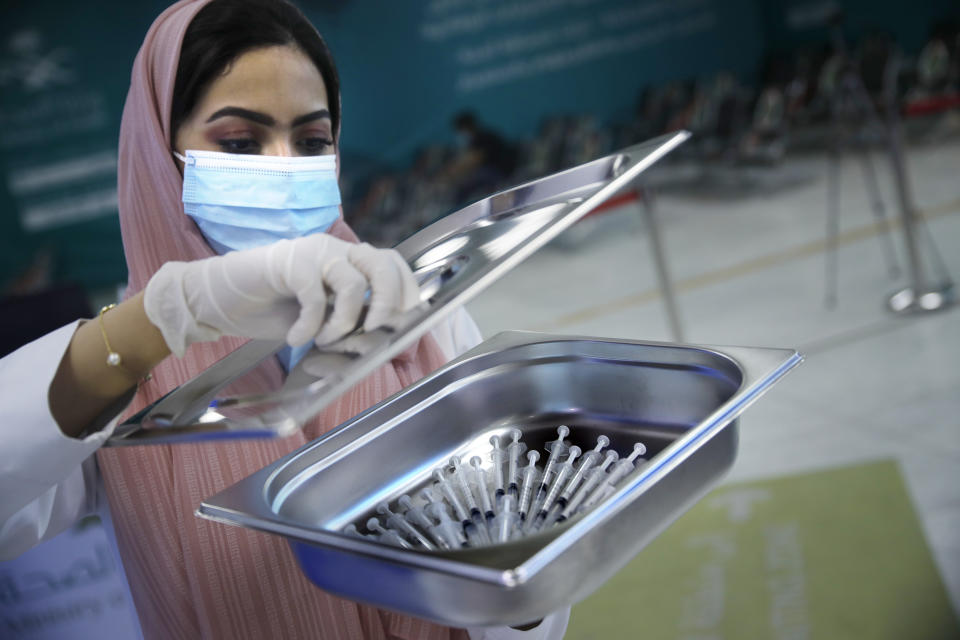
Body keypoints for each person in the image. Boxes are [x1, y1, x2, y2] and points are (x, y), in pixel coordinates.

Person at [0, 1, 569, 638]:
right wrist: (159, 323)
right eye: (240, 142)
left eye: (312, 141)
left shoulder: (414, 314)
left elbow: (523, 610)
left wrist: (521, 572)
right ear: (161, 152)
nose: (284, 166)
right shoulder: (120, 374)